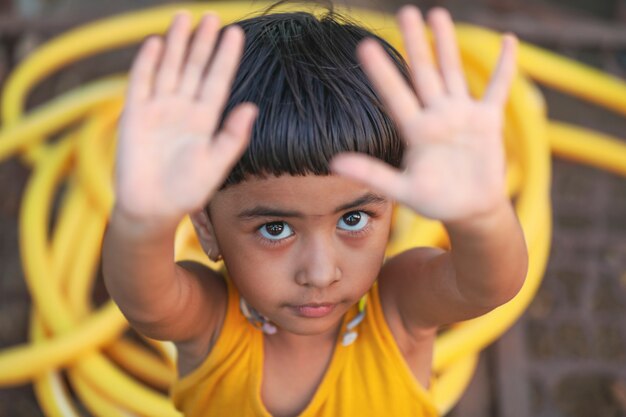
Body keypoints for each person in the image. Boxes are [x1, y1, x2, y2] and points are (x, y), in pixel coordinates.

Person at [102, 3, 528, 416]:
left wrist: (482, 216)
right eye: (274, 229)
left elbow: (488, 286)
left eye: (353, 219)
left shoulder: (398, 306)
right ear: (206, 227)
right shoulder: (210, 319)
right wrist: (142, 224)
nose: (321, 273)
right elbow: (146, 303)